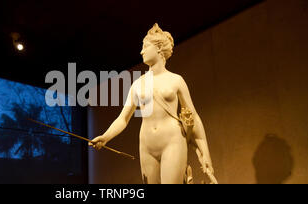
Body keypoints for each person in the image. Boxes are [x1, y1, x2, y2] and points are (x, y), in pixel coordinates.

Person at [89, 23, 215, 184]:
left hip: (172, 140)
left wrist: (205, 152)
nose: (141, 51)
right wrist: (105, 137)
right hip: (147, 144)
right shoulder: (137, 84)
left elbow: (194, 117)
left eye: (145, 46)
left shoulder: (176, 80)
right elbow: (123, 119)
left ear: (158, 48)